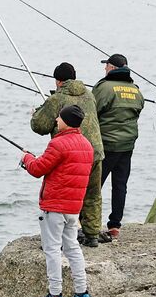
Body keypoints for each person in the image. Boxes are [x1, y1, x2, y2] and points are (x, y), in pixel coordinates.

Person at [21, 104, 95, 297]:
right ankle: (82, 292)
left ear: (67, 121)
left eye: (59, 118)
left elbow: (37, 169)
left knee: (52, 249)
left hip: (54, 206)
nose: (56, 120)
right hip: (73, 208)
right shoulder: (87, 145)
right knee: (72, 247)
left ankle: (55, 295)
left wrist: (26, 158)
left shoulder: (58, 144)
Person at [31, 63, 104, 247]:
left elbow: (39, 126)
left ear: (58, 81)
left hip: (69, 153)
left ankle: (61, 237)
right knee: (93, 194)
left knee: (64, 196)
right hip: (94, 151)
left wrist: (38, 111)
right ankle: (92, 235)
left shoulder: (57, 99)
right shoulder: (89, 94)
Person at [91, 53, 145, 240]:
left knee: (95, 186)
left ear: (112, 68)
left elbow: (91, 112)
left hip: (106, 145)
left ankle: (90, 222)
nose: (105, 69)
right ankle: (115, 225)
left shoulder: (104, 87)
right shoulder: (135, 90)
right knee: (120, 185)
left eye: (106, 66)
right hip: (127, 145)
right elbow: (139, 109)